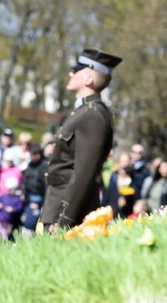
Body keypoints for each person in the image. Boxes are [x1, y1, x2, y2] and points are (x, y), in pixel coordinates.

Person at [39, 48, 122, 231]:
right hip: (57, 205)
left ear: (88, 79)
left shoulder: (93, 115)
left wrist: (65, 219)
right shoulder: (83, 112)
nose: (71, 73)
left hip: (68, 214)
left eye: (76, 69)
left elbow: (84, 173)